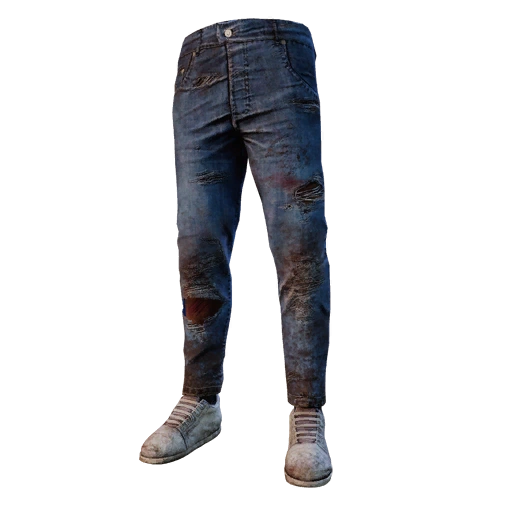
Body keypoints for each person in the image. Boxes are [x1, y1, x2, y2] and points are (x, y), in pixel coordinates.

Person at [140, 16, 333, 487]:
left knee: (298, 243)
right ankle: (201, 400)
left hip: (277, 52)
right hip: (198, 63)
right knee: (197, 242)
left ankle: (307, 411)